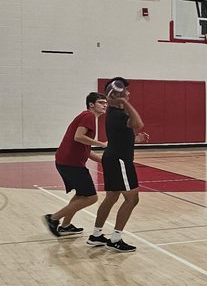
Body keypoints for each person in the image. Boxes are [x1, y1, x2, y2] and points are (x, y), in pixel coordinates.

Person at [89, 78, 146, 251]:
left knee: (112, 197)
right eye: (126, 92)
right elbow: (138, 123)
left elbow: (123, 135)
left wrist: (135, 139)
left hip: (112, 158)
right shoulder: (118, 114)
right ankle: (115, 239)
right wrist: (123, 102)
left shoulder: (114, 115)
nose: (129, 94)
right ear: (117, 95)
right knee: (132, 198)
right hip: (120, 161)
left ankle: (96, 235)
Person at [45, 91, 108, 237]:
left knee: (81, 195)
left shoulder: (87, 117)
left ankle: (65, 225)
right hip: (71, 163)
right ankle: (53, 218)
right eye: (101, 102)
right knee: (92, 197)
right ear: (91, 104)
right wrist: (101, 144)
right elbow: (79, 137)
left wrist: (104, 161)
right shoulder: (89, 116)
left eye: (105, 103)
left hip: (66, 161)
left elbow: (85, 149)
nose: (104, 105)